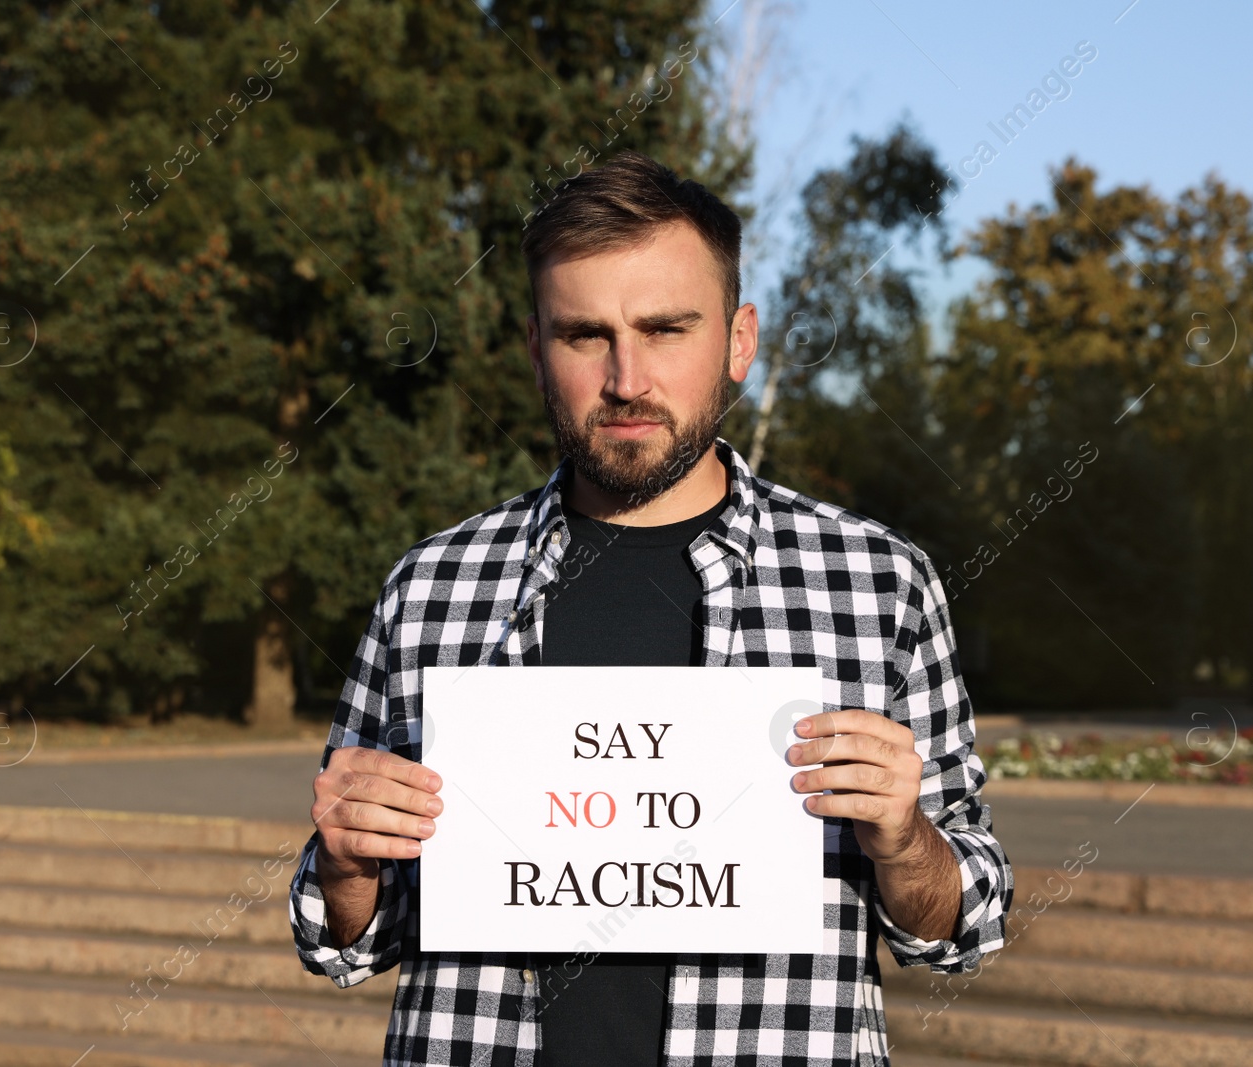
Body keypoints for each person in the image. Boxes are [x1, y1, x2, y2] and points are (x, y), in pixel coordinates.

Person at [287, 150, 1012, 1067]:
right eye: (585, 334)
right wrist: (348, 863)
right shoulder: (432, 585)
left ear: (740, 340)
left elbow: (967, 924)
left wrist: (906, 841)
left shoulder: (876, 583)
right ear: (534, 349)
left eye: (666, 329)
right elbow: (346, 937)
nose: (626, 378)